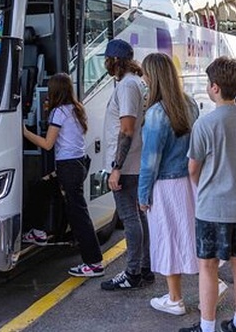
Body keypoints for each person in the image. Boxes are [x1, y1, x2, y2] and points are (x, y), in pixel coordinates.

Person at [182, 56, 236, 332]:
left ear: (214, 87)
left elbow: (193, 168)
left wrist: (203, 185)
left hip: (211, 207)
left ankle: (207, 326)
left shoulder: (205, 124)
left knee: (208, 266)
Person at [22, 73, 105, 278]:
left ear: (55, 91)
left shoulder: (58, 112)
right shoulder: (75, 109)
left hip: (69, 168)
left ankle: (94, 263)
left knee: (79, 216)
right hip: (78, 164)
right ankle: (39, 232)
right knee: (41, 188)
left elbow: (47, 144)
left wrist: (23, 131)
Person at [137, 53, 200, 315]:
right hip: (189, 180)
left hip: (164, 185)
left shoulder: (155, 113)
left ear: (153, 77)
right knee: (191, 235)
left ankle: (175, 298)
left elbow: (149, 160)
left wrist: (142, 194)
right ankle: (213, 282)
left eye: (144, 74)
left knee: (167, 237)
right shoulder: (190, 104)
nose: (143, 79)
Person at [100, 38, 153, 291]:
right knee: (139, 217)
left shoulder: (127, 86)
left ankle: (133, 273)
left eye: (107, 59)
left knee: (131, 217)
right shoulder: (134, 83)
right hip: (134, 163)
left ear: (116, 61)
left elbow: (127, 129)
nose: (105, 64)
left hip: (127, 165)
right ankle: (144, 268)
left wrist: (116, 167)